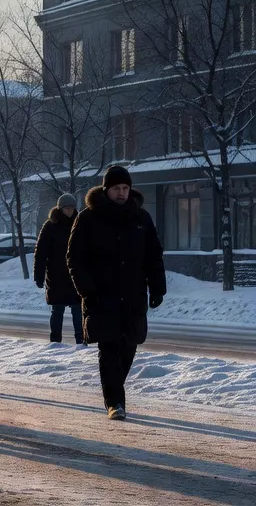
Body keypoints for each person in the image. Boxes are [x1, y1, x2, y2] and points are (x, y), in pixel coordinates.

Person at [66, 166, 165, 421]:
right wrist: (87, 290)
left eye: (125, 188)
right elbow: (75, 258)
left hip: (133, 295)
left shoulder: (141, 218)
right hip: (102, 295)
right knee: (109, 347)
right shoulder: (88, 218)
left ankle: (114, 390)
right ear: (106, 189)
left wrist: (157, 287)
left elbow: (154, 256)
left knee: (129, 347)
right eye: (116, 189)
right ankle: (115, 402)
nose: (121, 193)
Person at [35, 193, 82, 344]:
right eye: (67, 207)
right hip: (56, 276)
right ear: (60, 208)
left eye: (72, 207)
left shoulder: (80, 224)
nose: (69, 210)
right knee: (57, 310)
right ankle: (55, 342)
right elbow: (41, 253)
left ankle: (81, 342)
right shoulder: (50, 226)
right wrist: (39, 275)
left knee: (78, 310)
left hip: (76, 275)